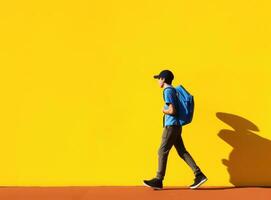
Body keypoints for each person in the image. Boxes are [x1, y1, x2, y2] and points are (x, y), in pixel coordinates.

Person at [143, 69, 207, 190]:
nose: (157, 81)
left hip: (171, 127)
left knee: (162, 151)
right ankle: (199, 175)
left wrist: (164, 110)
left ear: (163, 79)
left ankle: (158, 179)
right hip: (177, 126)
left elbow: (172, 111)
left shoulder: (167, 91)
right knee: (182, 151)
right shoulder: (174, 91)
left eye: (158, 79)